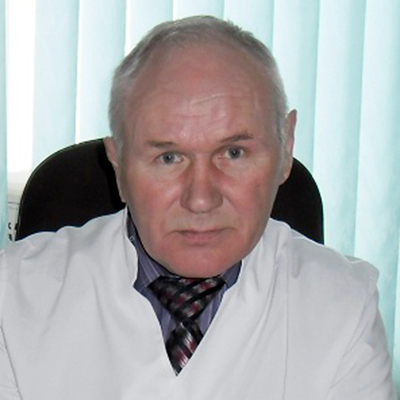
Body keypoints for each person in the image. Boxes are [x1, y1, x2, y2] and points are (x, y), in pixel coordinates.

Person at [0, 16, 396, 400]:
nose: (201, 199)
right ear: (118, 165)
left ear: (286, 147)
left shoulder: (344, 305)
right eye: (169, 158)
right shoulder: (13, 295)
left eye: (234, 153)